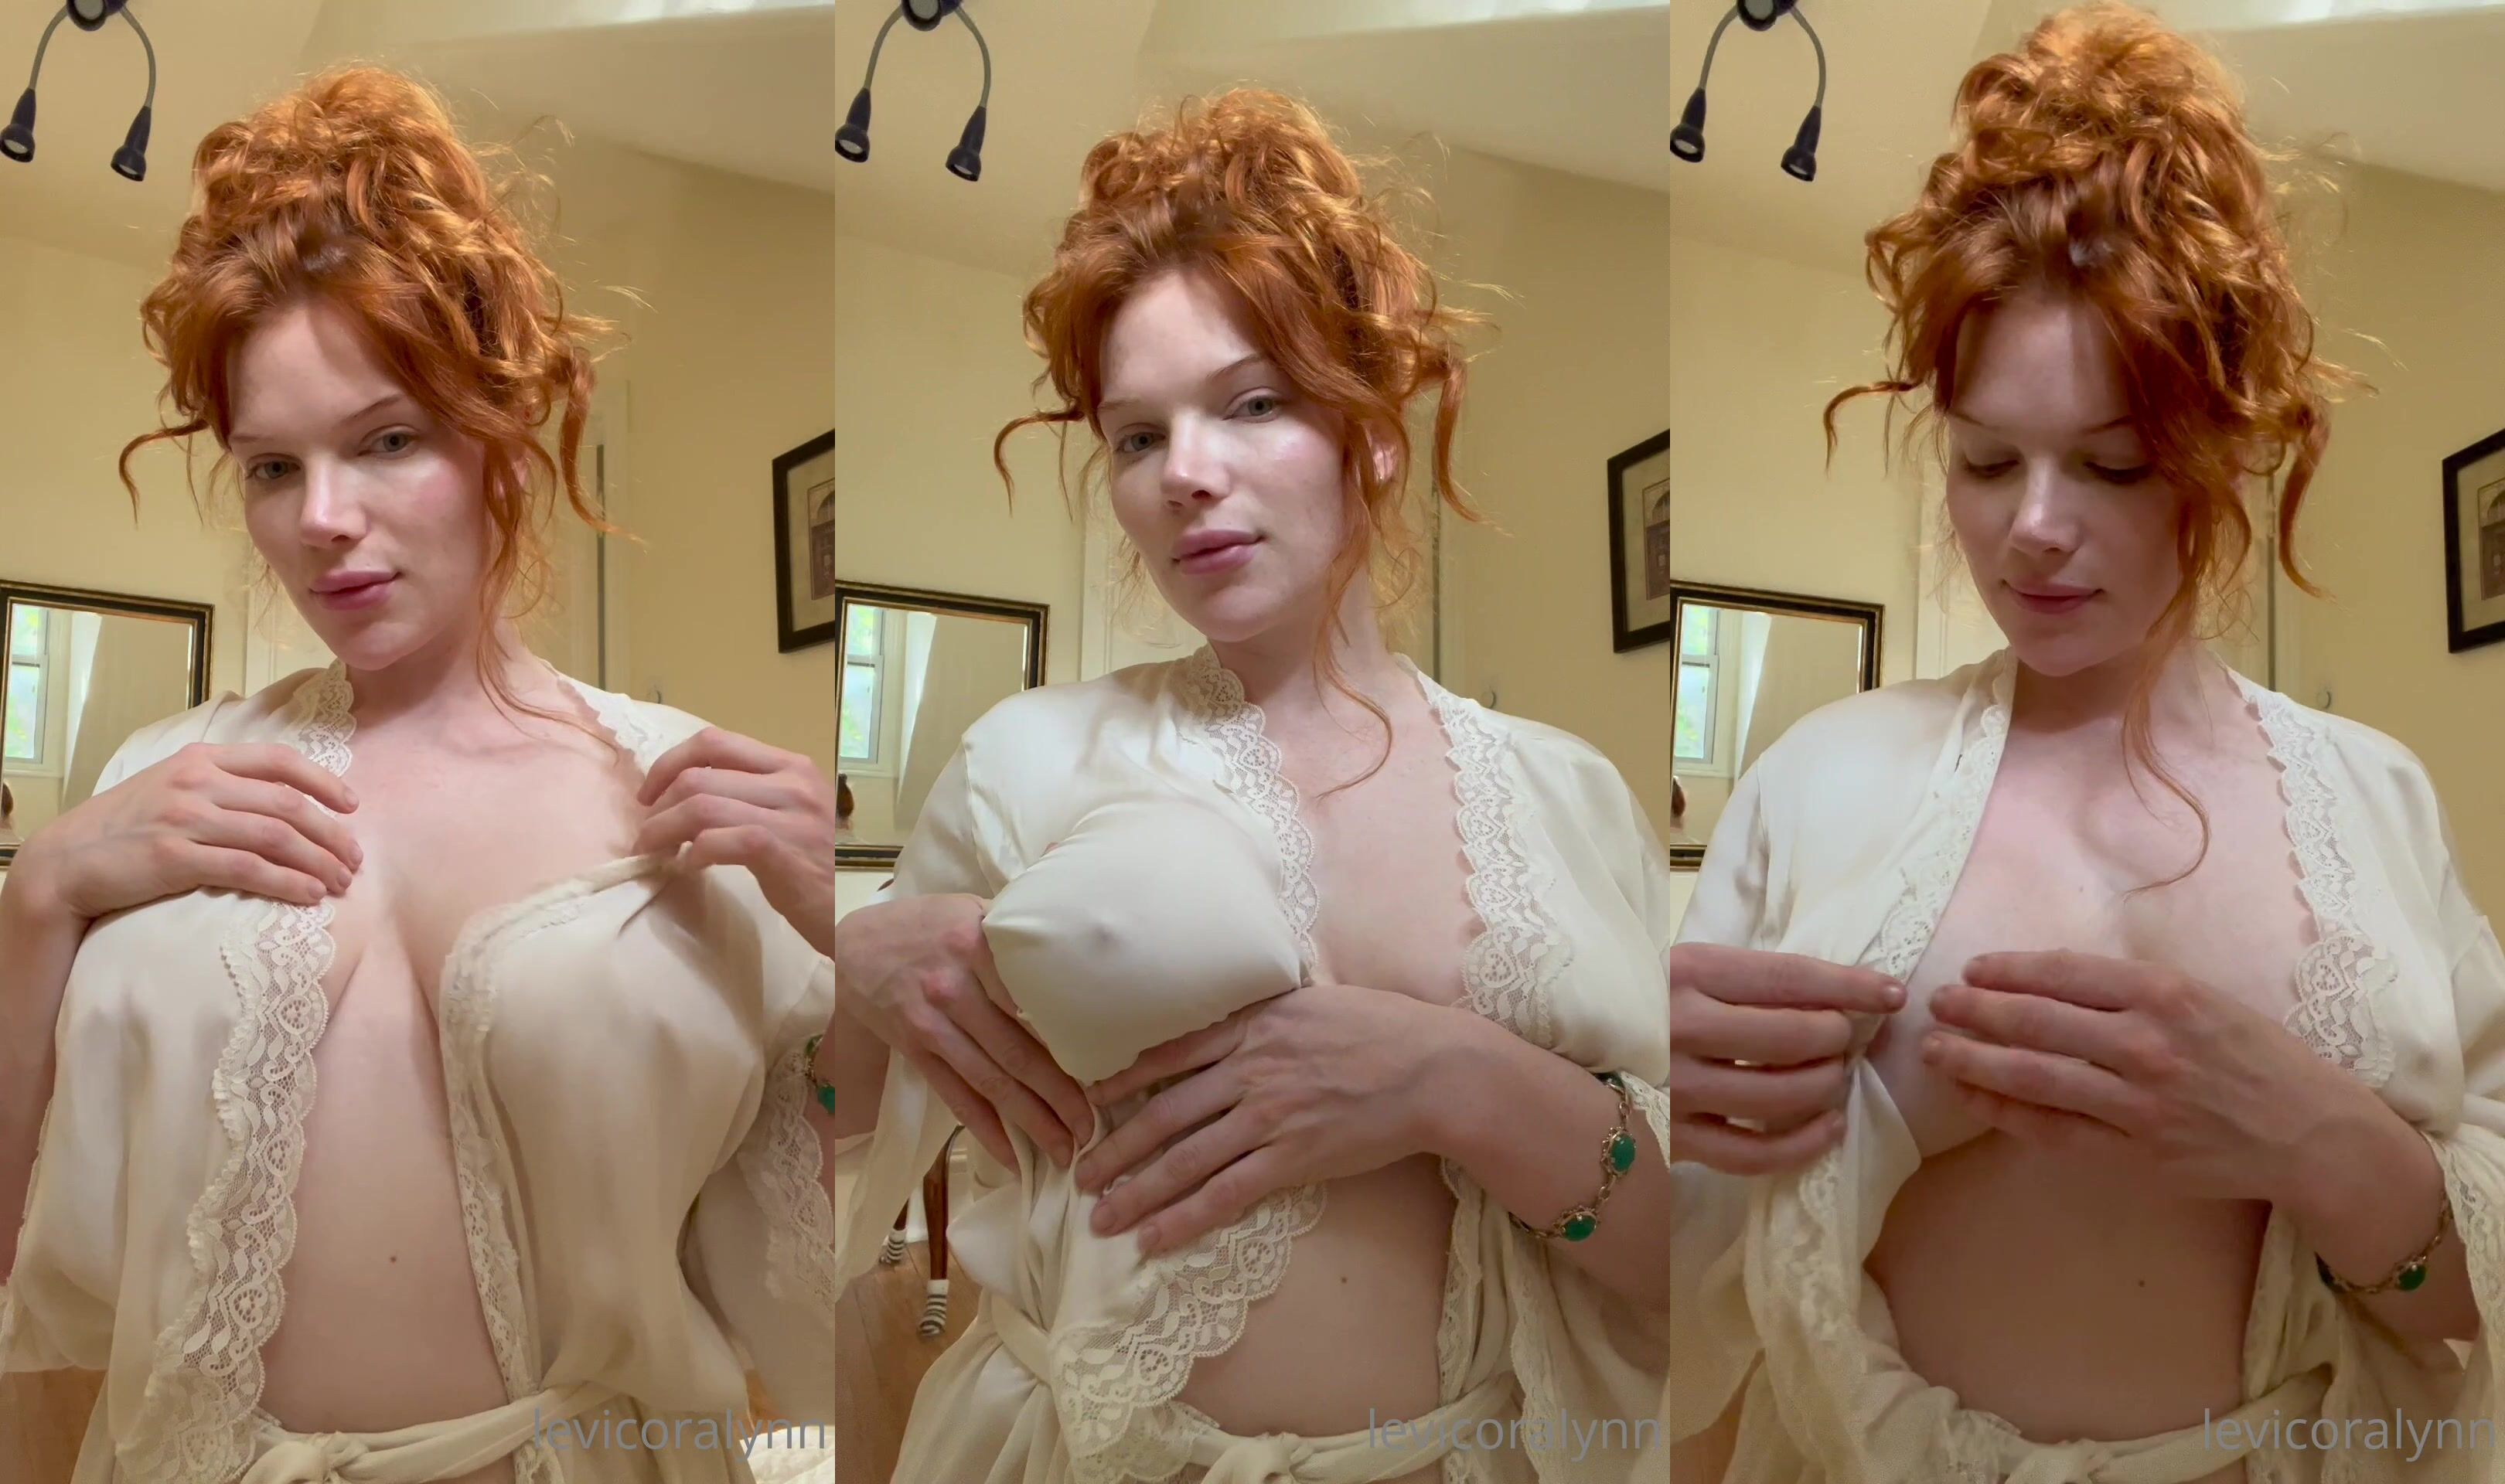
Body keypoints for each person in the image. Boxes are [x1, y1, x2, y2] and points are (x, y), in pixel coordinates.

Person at [1668, 7, 2505, 1482]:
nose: (2033, 528)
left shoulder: (2372, 797)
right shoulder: (1819, 778)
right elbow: (1668, 1265)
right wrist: (1646, 1094)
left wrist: (2327, 1149)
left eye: (2114, 466)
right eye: (1987, 460)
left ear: (2227, 450)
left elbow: (2464, 1307)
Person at [0, 70, 847, 1484]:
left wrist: (844, 930)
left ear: (504, 429)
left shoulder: (678, 793)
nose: (323, 520)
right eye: (272, 468)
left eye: (387, 440)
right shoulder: (161, 778)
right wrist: (39, 894)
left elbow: (827, 1235)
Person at [825, 90, 1675, 1482]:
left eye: (1253, 404)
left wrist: (1456, 1081)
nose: (1185, 475)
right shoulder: (1024, 764)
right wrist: (851, 970)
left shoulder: (1567, 800)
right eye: (1136, 436)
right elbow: (805, 1148)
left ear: (1373, 431)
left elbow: (1679, 1263)